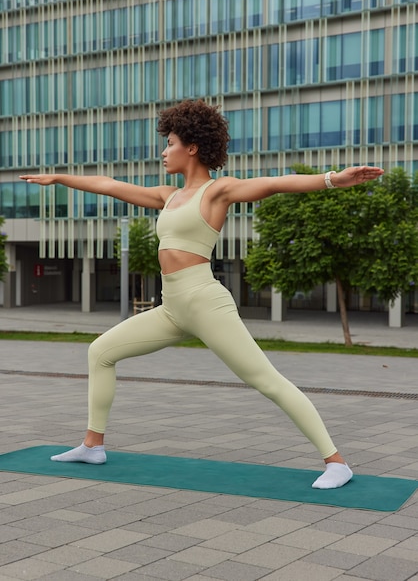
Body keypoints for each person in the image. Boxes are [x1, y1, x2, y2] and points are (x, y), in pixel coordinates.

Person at [20, 99, 384, 489]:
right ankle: (93, 445)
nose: (163, 151)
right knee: (100, 352)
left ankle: (336, 462)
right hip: (173, 307)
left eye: (170, 143)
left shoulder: (216, 192)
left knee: (266, 380)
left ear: (191, 147)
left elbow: (274, 184)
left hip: (205, 302)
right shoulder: (167, 196)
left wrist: (333, 179)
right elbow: (110, 186)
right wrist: (59, 178)